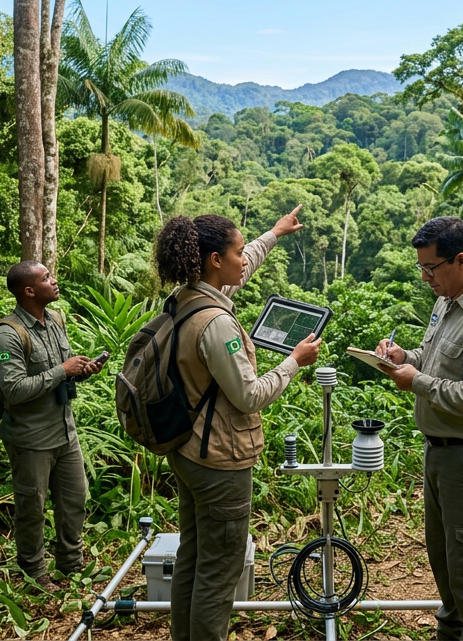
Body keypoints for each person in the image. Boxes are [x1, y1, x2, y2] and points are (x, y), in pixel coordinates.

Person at [155, 207, 321, 641]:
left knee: (193, 557)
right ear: (214, 260)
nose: (244, 259)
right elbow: (249, 396)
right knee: (219, 570)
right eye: (237, 251)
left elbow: (243, 268)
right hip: (218, 460)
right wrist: (293, 361)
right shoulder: (217, 325)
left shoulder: (186, 297)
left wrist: (275, 233)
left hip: (187, 448)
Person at [373, 216, 463, 641]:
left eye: (431, 267)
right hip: (440, 452)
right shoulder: (447, 300)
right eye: (421, 268)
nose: (426, 277)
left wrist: (417, 382)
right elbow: (434, 356)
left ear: (460, 260)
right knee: (445, 560)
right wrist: (406, 358)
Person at [0, 261, 104, 589]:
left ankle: (71, 564)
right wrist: (62, 371)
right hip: (30, 438)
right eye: (46, 278)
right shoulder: (8, 335)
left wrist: (81, 369)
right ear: (29, 291)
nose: (54, 281)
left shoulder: (55, 320)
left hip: (64, 431)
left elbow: (62, 370)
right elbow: (14, 390)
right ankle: (33, 571)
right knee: (32, 507)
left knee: (75, 499)